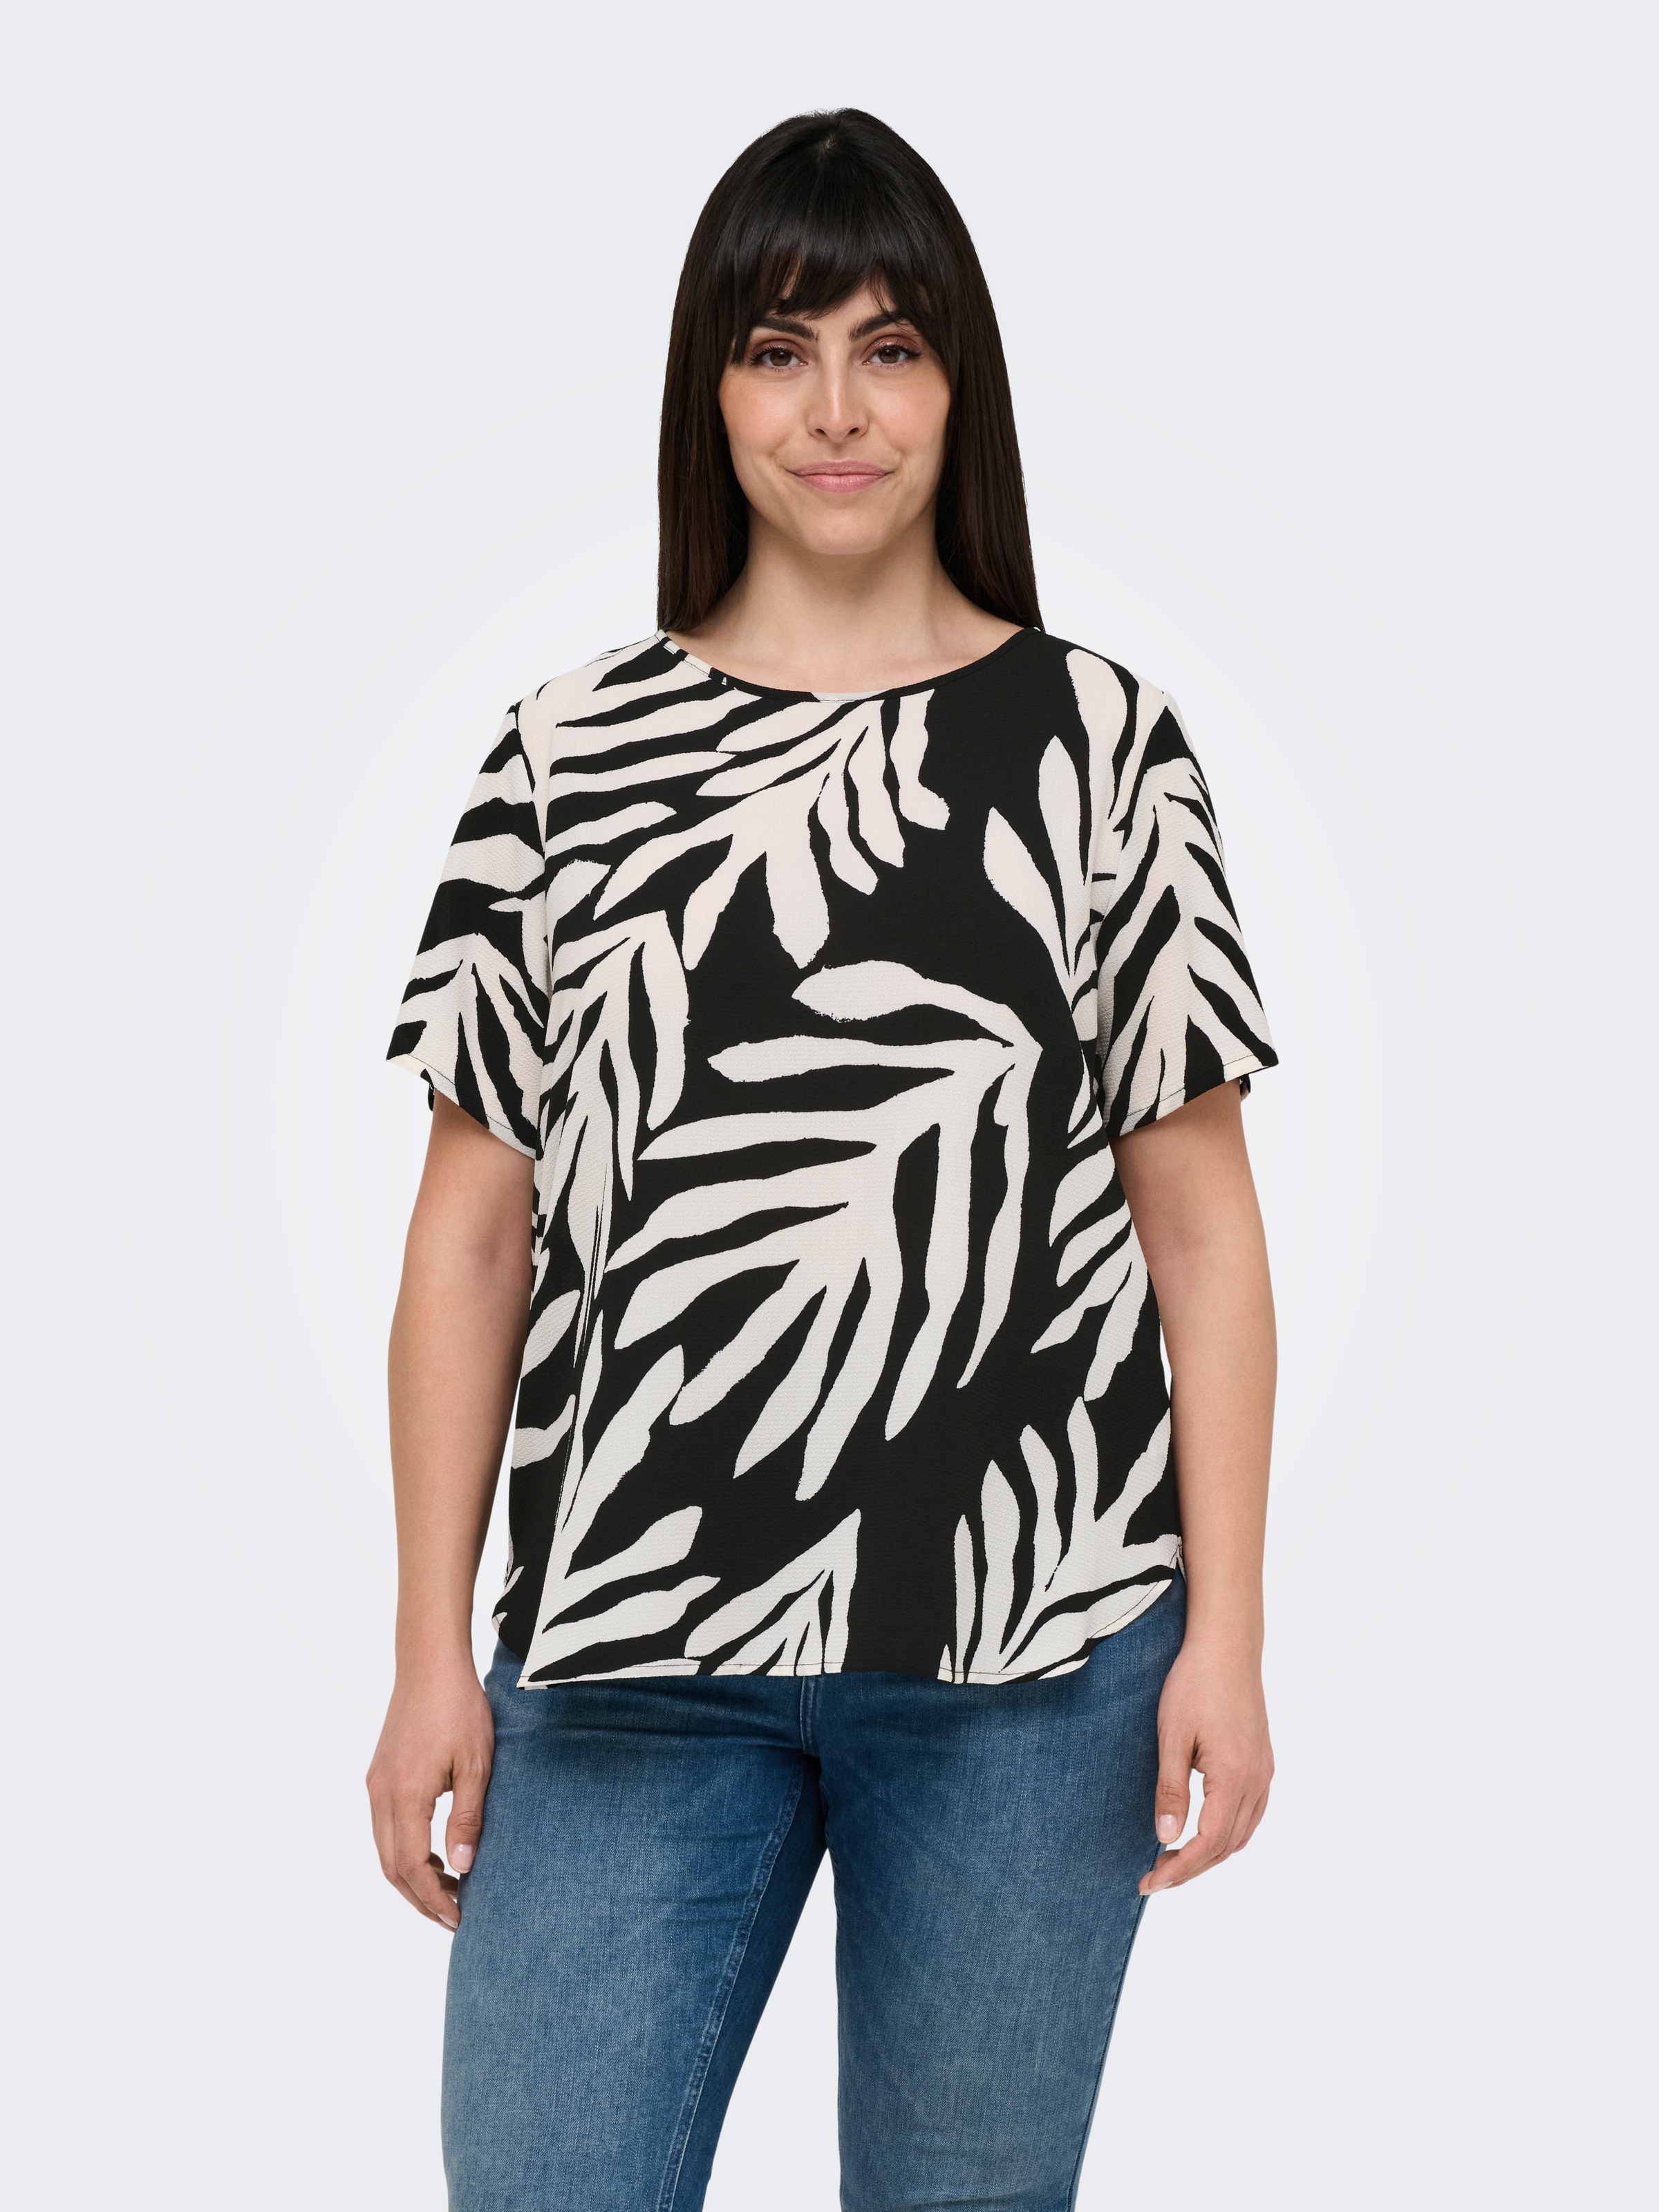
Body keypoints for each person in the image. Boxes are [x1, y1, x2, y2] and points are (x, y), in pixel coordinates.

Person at [368, 107, 1280, 2212]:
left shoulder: (1102, 748)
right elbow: (469, 1240)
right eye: (781, 350)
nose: (840, 411)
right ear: (712, 391)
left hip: (1031, 1663)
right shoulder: (567, 754)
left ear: (964, 388)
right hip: (624, 1653)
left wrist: (1225, 1635)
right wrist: (429, 1650)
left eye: (893, 349)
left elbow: (1205, 1231)